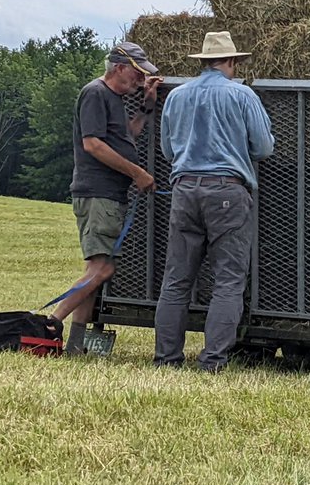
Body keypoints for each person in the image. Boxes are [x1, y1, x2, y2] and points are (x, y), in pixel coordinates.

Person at [153, 31, 275, 372]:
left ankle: (167, 359)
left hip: (184, 190)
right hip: (227, 191)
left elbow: (167, 150)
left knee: (176, 280)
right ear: (232, 62)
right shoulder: (242, 95)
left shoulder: (176, 96)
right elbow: (264, 148)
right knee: (228, 280)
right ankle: (212, 361)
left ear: (203, 62)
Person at [54, 42, 160, 355]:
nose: (140, 81)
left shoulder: (114, 98)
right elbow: (94, 145)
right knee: (102, 270)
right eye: (137, 74)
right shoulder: (95, 93)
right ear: (118, 67)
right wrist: (137, 173)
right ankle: (50, 323)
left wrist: (147, 106)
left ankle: (75, 346)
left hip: (110, 194)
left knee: (94, 272)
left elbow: (126, 136)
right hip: (97, 193)